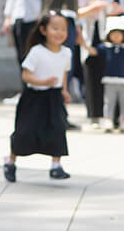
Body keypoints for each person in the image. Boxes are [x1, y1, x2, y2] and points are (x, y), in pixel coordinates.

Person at [4, 12, 73, 182]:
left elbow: (63, 73)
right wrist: (43, 82)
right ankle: (10, 162)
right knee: (24, 132)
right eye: (55, 28)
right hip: (34, 98)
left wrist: (64, 91)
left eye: (63, 29)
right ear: (43, 30)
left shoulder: (66, 53)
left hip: (54, 97)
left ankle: (56, 166)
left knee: (58, 129)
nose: (60, 33)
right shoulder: (36, 52)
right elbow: (26, 75)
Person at [76, 0, 124, 129]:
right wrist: (92, 8)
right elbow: (77, 12)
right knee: (93, 72)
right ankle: (95, 115)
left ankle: (118, 117)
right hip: (93, 32)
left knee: (118, 74)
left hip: (117, 33)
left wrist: (119, 9)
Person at [95, 16, 124, 133]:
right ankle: (108, 120)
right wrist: (83, 43)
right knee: (109, 102)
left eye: (119, 33)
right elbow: (94, 51)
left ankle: (123, 121)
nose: (116, 36)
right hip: (109, 80)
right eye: (114, 33)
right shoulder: (106, 48)